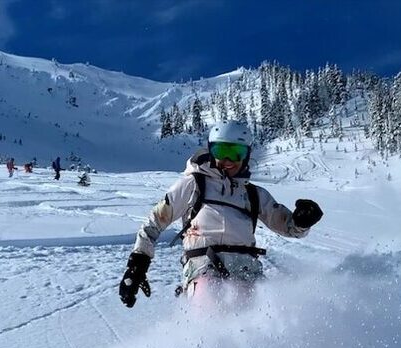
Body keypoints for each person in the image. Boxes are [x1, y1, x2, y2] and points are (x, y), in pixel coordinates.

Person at [119, 120, 323, 308]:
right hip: (203, 267)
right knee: (209, 295)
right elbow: (155, 222)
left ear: (247, 155)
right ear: (211, 151)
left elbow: (289, 227)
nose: (227, 160)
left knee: (268, 308)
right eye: (221, 151)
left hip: (247, 270)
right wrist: (138, 265)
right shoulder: (194, 184)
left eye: (236, 153)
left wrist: (302, 221)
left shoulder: (253, 195)